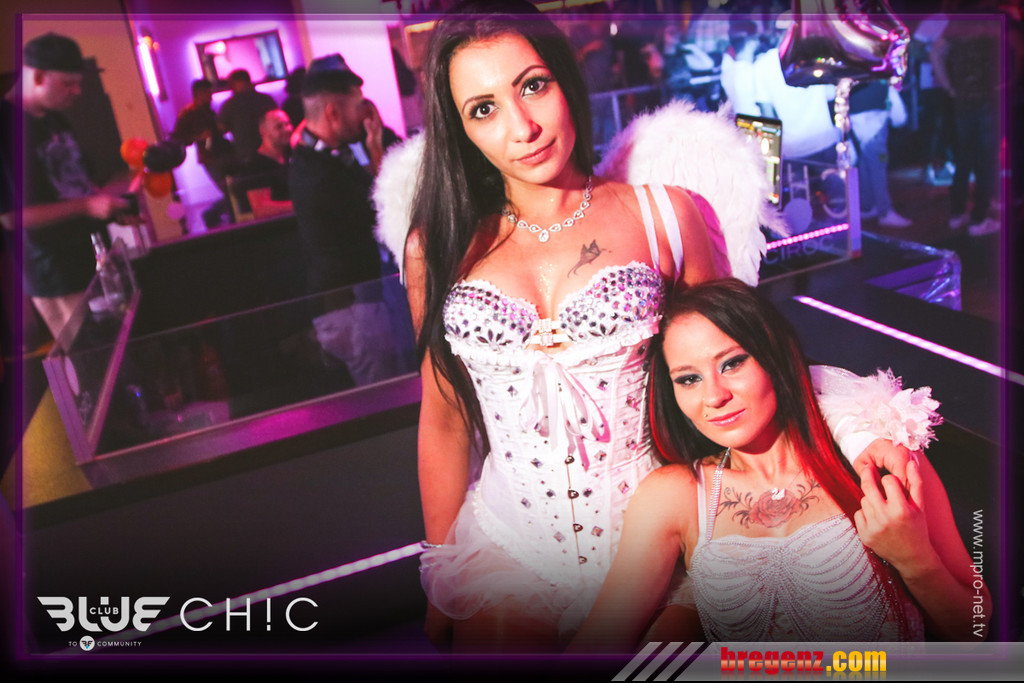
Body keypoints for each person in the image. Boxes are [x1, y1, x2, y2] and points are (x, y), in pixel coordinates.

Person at [404, 1, 917, 654]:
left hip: (669, 533)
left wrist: (853, 433)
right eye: (484, 108)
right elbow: (445, 416)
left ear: (565, 78)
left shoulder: (665, 216)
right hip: (511, 543)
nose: (522, 127)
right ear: (460, 128)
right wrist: (441, 568)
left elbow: (739, 363)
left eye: (532, 85)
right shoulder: (437, 247)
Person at [572, 279, 988, 649]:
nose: (714, 396)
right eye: (689, 378)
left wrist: (915, 559)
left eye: (732, 363)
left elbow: (974, 628)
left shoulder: (875, 459)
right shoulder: (674, 495)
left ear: (773, 355)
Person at [0, 32, 131, 339]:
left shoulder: (54, 119)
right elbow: (10, 217)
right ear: (38, 76)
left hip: (90, 257)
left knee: (122, 346)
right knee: (91, 358)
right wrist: (88, 206)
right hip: (52, 271)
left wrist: (112, 205)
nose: (77, 91)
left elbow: (78, 186)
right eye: (68, 83)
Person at [288, 63, 383, 295]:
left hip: (353, 293)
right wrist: (376, 148)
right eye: (357, 106)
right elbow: (382, 210)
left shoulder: (321, 155)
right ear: (333, 113)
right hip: (349, 300)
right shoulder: (318, 174)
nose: (363, 114)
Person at [930, 12, 1001, 237]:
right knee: (986, 159)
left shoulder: (957, 24)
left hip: (962, 101)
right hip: (988, 99)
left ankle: (957, 214)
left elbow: (935, 53)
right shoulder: (990, 20)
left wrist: (950, 87)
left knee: (964, 157)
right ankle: (978, 219)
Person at [170, 78, 235, 227]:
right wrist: (199, 137)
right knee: (230, 192)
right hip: (210, 157)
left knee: (232, 190)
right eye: (208, 93)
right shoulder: (188, 113)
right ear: (200, 93)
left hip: (221, 153)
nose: (211, 97)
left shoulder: (208, 110)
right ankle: (213, 215)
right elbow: (178, 137)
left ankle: (220, 216)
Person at [849, 80, 913, 227]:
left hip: (855, 118)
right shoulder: (880, 73)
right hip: (875, 121)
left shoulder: (852, 70)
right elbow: (899, 115)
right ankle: (885, 212)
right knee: (878, 166)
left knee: (864, 164)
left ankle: (869, 206)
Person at [231, 108, 293, 219]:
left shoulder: (291, 155)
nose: (287, 129)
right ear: (263, 132)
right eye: (279, 127)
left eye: (288, 124)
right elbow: (261, 208)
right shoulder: (255, 165)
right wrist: (302, 204)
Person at [217, 68, 277, 165]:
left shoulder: (230, 105)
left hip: (246, 154)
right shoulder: (266, 99)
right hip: (271, 150)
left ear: (234, 83)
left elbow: (222, 128)